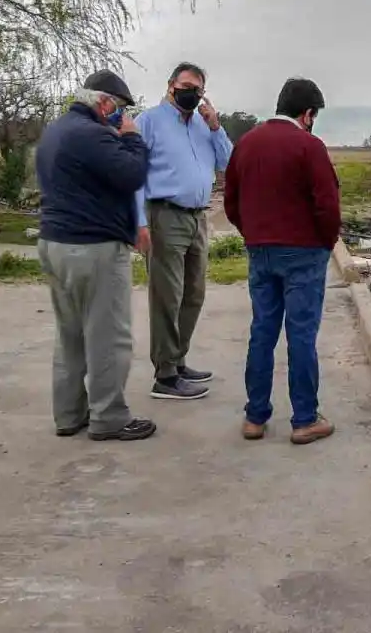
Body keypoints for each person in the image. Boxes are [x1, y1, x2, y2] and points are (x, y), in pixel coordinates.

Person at [34, 70, 156, 442]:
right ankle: (109, 417)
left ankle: (69, 414)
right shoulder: (93, 134)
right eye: (119, 109)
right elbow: (133, 174)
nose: (122, 116)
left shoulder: (55, 131)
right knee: (108, 336)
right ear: (104, 103)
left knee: (70, 334)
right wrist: (133, 138)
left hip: (55, 243)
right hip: (93, 248)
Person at [223, 77, 341, 445]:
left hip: (261, 251)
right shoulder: (310, 146)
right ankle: (304, 419)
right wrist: (326, 242)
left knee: (262, 331)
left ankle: (255, 417)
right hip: (304, 253)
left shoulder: (245, 144)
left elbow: (231, 201)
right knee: (301, 334)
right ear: (307, 114)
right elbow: (327, 204)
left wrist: (252, 233)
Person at [133, 62, 234, 400]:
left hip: (197, 217)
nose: (192, 93)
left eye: (199, 89)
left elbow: (228, 163)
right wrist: (138, 221)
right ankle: (164, 375)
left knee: (193, 293)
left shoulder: (204, 126)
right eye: (187, 86)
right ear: (171, 85)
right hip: (164, 215)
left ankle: (178, 361)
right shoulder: (149, 122)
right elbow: (133, 173)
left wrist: (216, 126)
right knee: (167, 296)